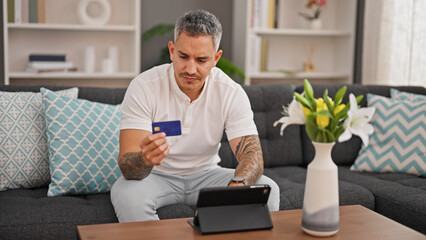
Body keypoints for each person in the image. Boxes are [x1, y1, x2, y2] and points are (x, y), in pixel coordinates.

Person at [111, 9, 280, 223]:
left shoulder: (230, 91)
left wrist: (238, 185)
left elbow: (253, 157)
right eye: (183, 57)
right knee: (126, 194)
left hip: (208, 175)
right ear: (172, 51)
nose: (190, 69)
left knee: (269, 189)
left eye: (201, 60)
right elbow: (128, 168)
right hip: (155, 177)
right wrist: (144, 159)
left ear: (216, 58)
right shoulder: (144, 86)